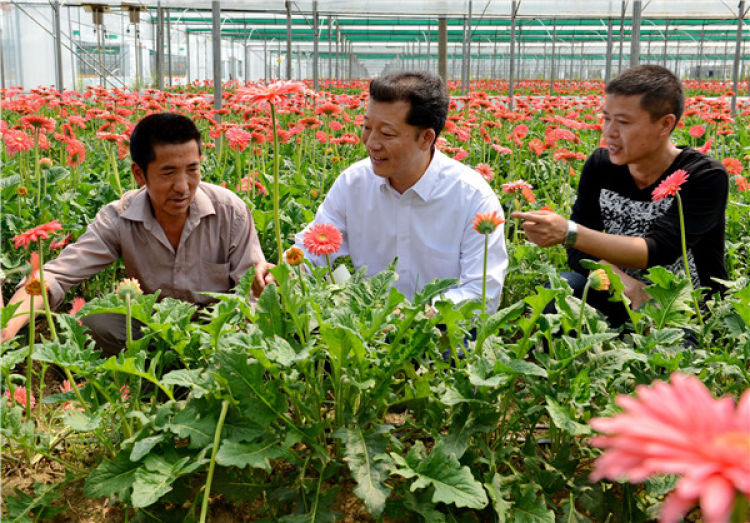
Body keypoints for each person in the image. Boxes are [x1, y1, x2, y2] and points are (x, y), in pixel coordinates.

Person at [1, 112, 266, 353]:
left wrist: (235, 344)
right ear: (139, 174)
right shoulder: (119, 218)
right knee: (97, 323)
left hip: (217, 328)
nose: (183, 186)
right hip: (152, 326)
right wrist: (8, 326)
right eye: (169, 173)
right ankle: (153, 387)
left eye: (192, 170)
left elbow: (253, 292)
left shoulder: (230, 210)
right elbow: (57, 275)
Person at [254, 71, 508, 313]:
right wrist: (283, 273)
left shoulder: (473, 198)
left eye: (387, 133)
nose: (371, 142)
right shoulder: (354, 183)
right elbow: (317, 246)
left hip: (446, 341)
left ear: (426, 139)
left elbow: (481, 294)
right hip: (369, 336)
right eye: (367, 127)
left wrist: (414, 316)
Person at [512, 65, 728, 326]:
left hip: (681, 310)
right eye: (606, 118)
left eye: (623, 122)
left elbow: (659, 249)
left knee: (677, 359)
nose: (609, 132)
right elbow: (580, 254)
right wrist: (626, 284)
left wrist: (570, 232)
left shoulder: (704, 175)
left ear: (665, 124)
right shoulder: (600, 166)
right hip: (614, 293)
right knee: (562, 289)